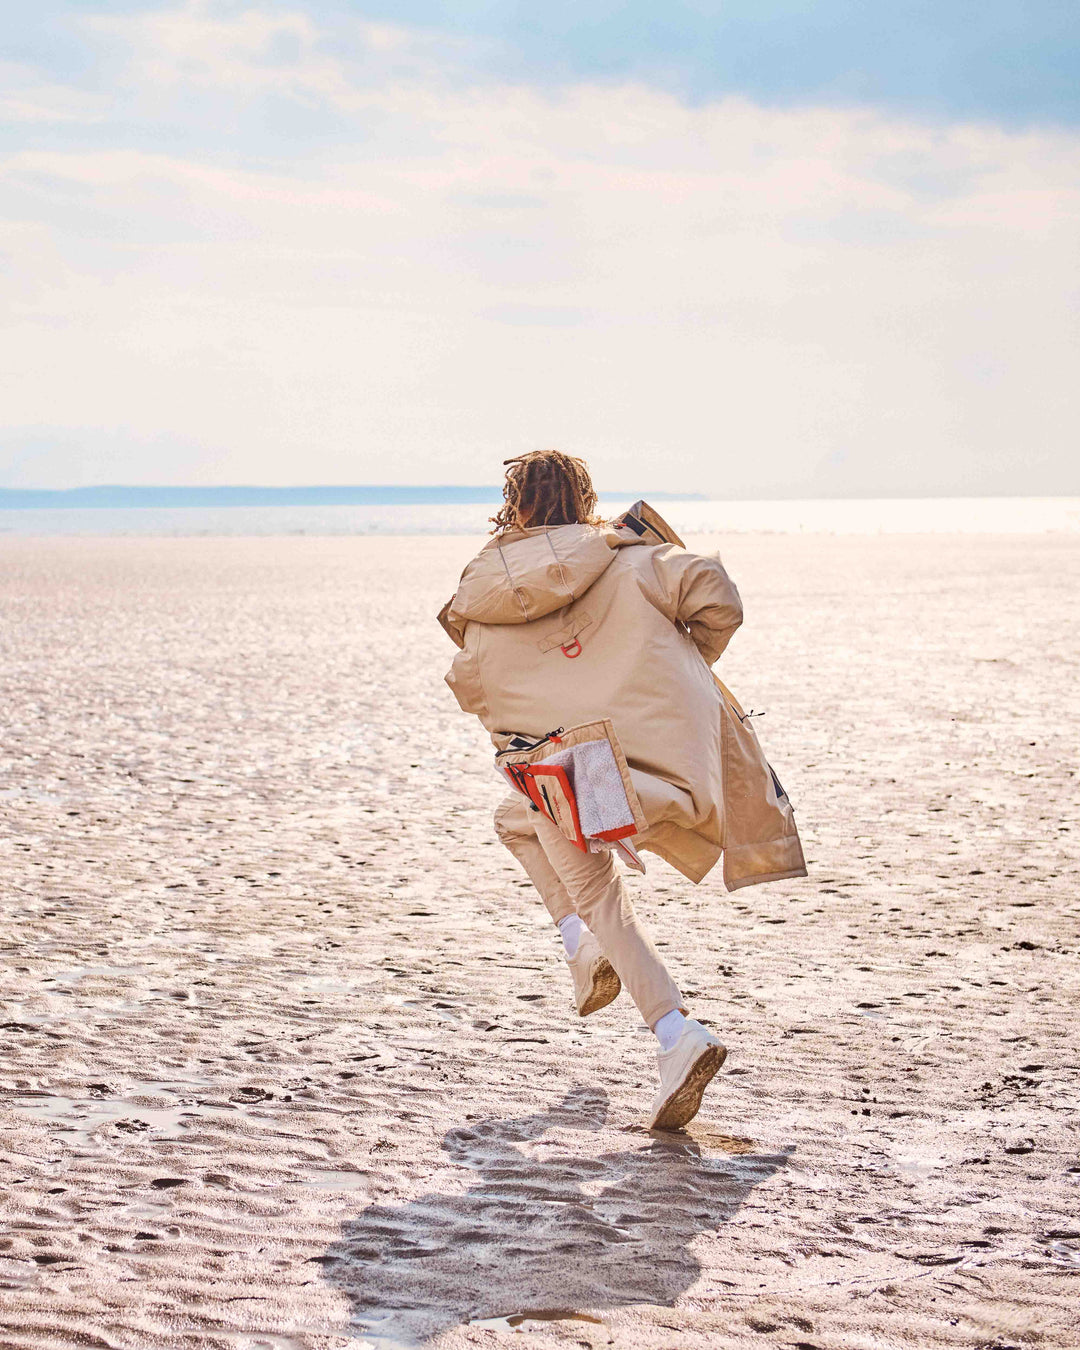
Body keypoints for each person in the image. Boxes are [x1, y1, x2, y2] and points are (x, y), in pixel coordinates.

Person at [438, 450, 805, 1130]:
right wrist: (677, 666)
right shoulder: (635, 560)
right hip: (662, 768)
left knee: (593, 890)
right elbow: (717, 595)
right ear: (585, 502)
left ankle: (671, 1029)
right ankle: (583, 949)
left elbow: (471, 691)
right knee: (513, 820)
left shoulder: (483, 604)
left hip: (573, 775)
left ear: (513, 508)